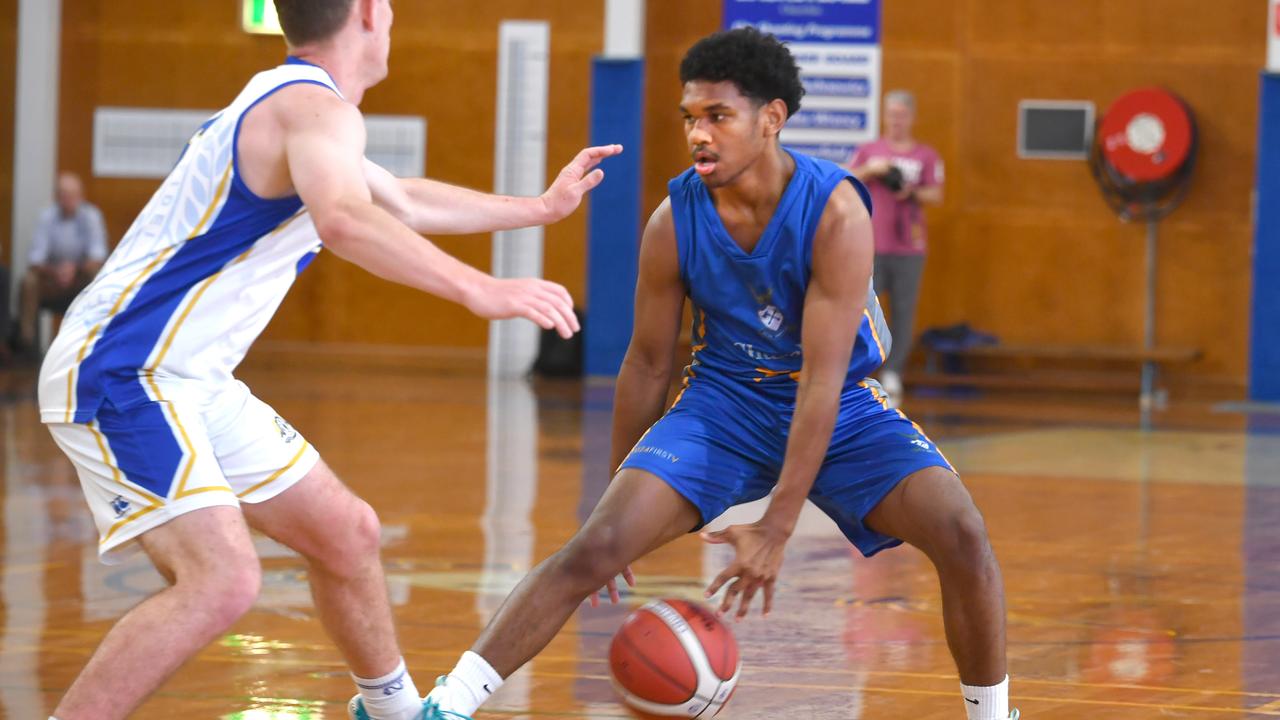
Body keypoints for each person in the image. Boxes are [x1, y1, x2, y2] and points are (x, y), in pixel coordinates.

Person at [35, 1, 619, 719]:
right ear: (371, 12)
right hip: (125, 367)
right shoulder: (313, 108)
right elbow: (345, 220)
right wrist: (480, 289)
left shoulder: (301, 104)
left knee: (348, 534)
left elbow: (400, 198)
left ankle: (394, 710)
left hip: (188, 378)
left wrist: (536, 208)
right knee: (221, 581)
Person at [425, 28, 1016, 720]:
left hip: (837, 405)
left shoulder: (837, 213)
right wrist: (617, 501)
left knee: (963, 532)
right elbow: (648, 362)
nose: (698, 135)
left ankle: (992, 714)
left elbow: (822, 382)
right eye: (689, 118)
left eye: (717, 117)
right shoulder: (672, 222)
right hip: (723, 403)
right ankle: (444, 704)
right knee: (596, 547)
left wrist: (776, 526)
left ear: (771, 119)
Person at [850, 90, 944, 406]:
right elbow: (846, 179)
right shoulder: (869, 151)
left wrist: (912, 191)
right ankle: (859, 369)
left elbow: (937, 194)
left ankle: (894, 371)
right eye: (891, 114)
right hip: (871, 243)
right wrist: (872, 170)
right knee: (861, 307)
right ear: (884, 115)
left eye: (902, 114)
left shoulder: (926, 155)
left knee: (903, 311)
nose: (896, 120)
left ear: (912, 117)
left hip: (909, 246)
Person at [19, 172, 109, 352]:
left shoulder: (91, 216)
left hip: (80, 277)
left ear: (81, 196)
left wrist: (73, 270)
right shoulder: (47, 216)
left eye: (72, 195)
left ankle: (97, 337)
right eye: (63, 195)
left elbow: (98, 255)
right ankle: (26, 342)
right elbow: (35, 259)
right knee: (29, 281)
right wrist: (56, 272)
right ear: (56, 197)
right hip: (51, 277)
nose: (67, 200)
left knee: (98, 277)